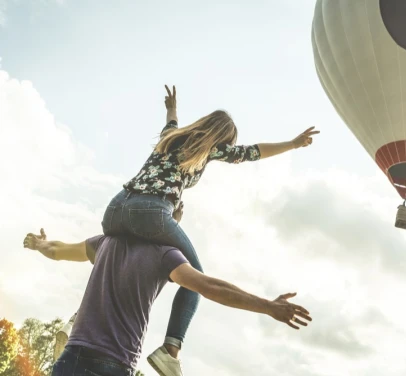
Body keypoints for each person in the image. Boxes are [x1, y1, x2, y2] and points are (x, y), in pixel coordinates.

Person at [101, 85, 319, 374]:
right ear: (221, 137)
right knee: (195, 278)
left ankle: (78, 319)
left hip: (115, 210)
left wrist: (171, 106)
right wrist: (291, 144)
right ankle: (170, 350)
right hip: (151, 212)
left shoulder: (171, 137)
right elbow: (252, 152)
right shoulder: (211, 148)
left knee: (112, 258)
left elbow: (171, 122)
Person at [22, 215, 312, 376]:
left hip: (72, 358)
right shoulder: (165, 255)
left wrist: (40, 244)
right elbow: (207, 286)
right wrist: (267, 306)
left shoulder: (105, 243)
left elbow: (57, 251)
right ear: (169, 221)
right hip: (112, 364)